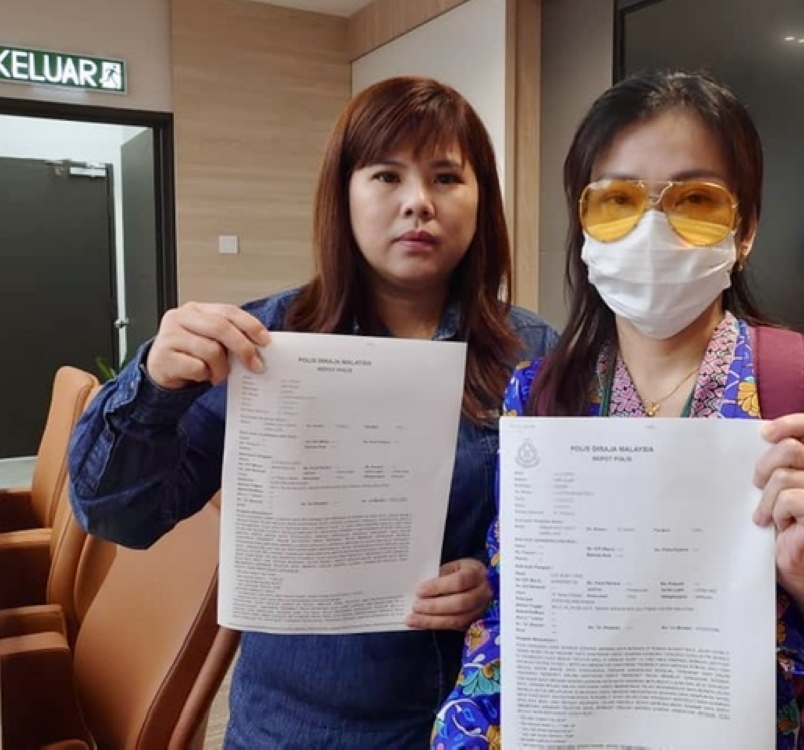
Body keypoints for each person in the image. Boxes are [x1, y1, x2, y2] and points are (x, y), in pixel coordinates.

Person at [433, 70, 804, 749]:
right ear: (584, 227)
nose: (651, 228)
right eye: (616, 199)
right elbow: (512, 618)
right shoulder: (542, 395)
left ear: (746, 227)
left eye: (695, 197)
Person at [68, 75, 558, 748]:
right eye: (387, 176)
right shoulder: (263, 343)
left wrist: (492, 579)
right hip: (296, 728)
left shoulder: (531, 351)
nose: (419, 203)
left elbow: (570, 539)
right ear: (344, 194)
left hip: (473, 721)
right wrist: (152, 384)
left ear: (482, 199)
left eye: (447, 177)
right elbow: (118, 511)